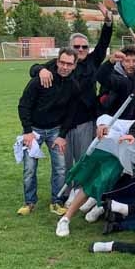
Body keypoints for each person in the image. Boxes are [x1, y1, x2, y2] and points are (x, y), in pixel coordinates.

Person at [29, 4, 113, 210]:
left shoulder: (93, 61)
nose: (81, 50)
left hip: (85, 120)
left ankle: (80, 192)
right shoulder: (61, 63)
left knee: (84, 159)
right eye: (77, 47)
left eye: (84, 47)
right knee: (64, 162)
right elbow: (33, 69)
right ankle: (64, 193)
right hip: (62, 123)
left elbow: (104, 42)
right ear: (69, 49)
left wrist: (108, 22)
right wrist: (40, 70)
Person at [55, 108, 135, 237]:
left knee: (123, 188)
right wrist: (102, 125)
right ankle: (65, 219)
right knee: (93, 184)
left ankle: (98, 205)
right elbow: (107, 119)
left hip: (131, 167)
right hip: (115, 156)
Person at [17, 48, 80, 216]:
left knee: (60, 168)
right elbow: (24, 105)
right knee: (29, 168)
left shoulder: (74, 86)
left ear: (74, 65)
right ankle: (29, 202)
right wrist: (27, 131)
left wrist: (62, 135)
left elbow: (71, 114)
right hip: (34, 130)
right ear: (57, 61)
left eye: (69, 64)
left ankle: (56, 202)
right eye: (62, 62)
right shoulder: (41, 79)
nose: (65, 67)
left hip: (55, 131)